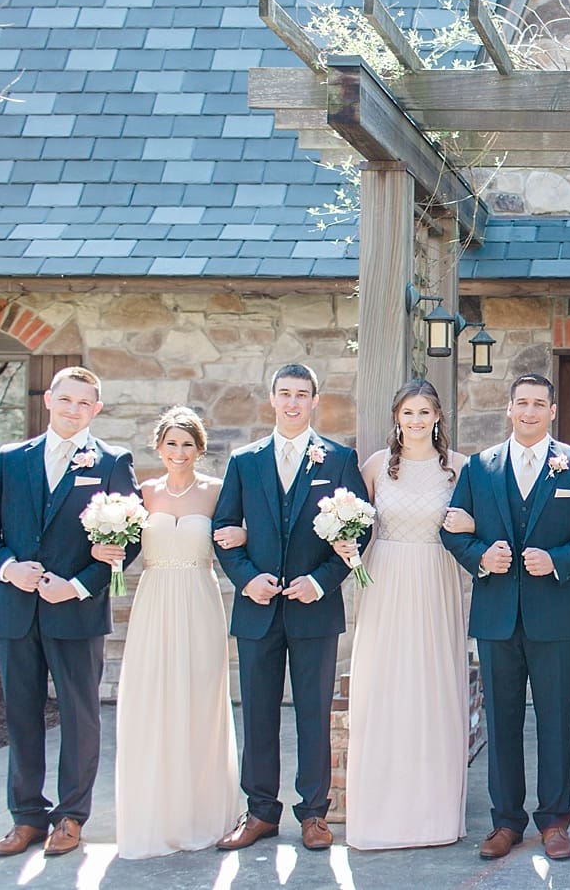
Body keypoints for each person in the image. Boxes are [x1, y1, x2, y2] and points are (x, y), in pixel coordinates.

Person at [440, 373, 570, 862]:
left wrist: (558, 560)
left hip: (554, 617)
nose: (531, 411)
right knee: (501, 722)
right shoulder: (479, 468)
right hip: (497, 615)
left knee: (557, 722)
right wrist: (479, 556)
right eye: (523, 403)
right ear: (510, 409)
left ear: (553, 411)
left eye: (540, 404)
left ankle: (555, 822)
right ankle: (505, 822)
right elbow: (452, 530)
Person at [0, 365, 139, 859]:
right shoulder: (10, 459)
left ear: (97, 409)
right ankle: (25, 818)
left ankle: (70, 816)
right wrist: (8, 570)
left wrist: (79, 586)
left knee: (80, 716)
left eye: (84, 403)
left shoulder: (112, 461)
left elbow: (126, 541)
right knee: (21, 716)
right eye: (66, 400)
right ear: (49, 400)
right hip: (17, 610)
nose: (73, 410)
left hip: (76, 613)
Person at [211, 363, 370, 852]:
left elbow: (358, 531)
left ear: (315, 400)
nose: (293, 402)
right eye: (285, 393)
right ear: (273, 399)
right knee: (257, 711)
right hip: (257, 608)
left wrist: (321, 583)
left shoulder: (340, 460)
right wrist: (245, 578)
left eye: (302, 394)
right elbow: (223, 531)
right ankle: (260, 811)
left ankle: (314, 813)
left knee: (313, 712)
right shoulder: (244, 460)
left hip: (314, 610)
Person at [337, 380, 469, 850]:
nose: (415, 421)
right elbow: (353, 522)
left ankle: (431, 815)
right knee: (384, 687)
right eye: (408, 413)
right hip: (386, 581)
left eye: (424, 412)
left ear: (438, 417)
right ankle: (379, 813)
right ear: (397, 417)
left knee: (431, 686)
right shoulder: (374, 466)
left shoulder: (459, 468)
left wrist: (470, 525)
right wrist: (344, 542)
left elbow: (475, 526)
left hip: (435, 578)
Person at [112, 407, 240, 858]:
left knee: (200, 700)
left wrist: (241, 539)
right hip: (154, 602)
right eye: (172, 443)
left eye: (188, 444)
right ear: (159, 447)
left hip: (199, 600)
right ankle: (156, 813)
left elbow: (235, 538)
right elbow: (123, 547)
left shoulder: (217, 492)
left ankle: (203, 812)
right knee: (154, 701)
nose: (179, 452)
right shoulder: (142, 494)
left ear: (200, 449)